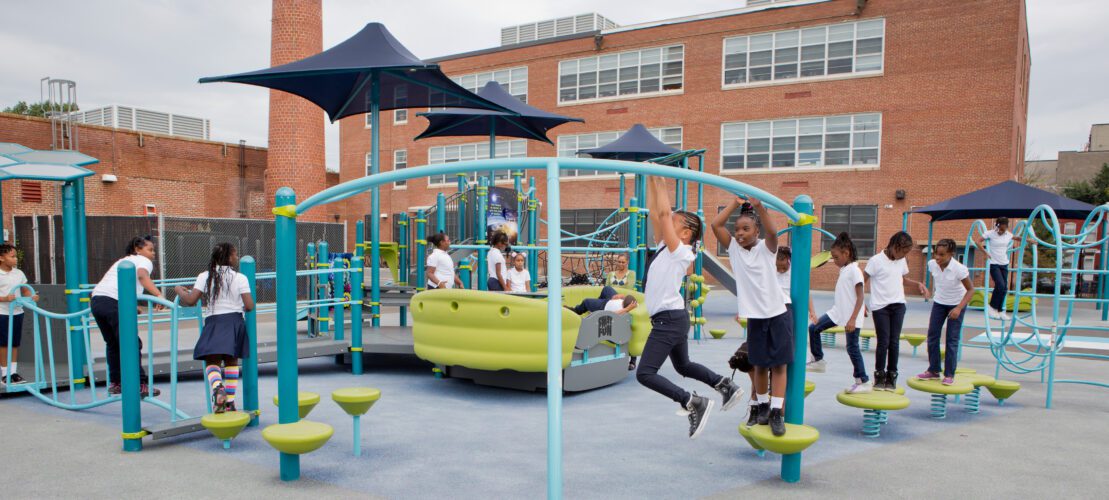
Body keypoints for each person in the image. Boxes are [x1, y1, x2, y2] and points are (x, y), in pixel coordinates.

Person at [638, 176, 743, 439]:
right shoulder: (665, 246)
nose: (667, 220)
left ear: (685, 233)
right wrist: (650, 180)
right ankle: (724, 384)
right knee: (683, 365)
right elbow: (657, 212)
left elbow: (663, 212)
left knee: (645, 373)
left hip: (668, 320)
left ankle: (691, 401)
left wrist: (658, 177)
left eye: (673, 221)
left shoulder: (682, 252)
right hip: (671, 318)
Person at [711, 196, 790, 436]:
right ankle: (763, 405)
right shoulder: (734, 249)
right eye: (737, 229)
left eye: (746, 229)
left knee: (778, 365)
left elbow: (774, 230)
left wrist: (759, 207)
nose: (740, 233)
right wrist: (733, 203)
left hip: (777, 312)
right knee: (759, 365)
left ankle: (777, 411)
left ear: (757, 232)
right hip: (755, 317)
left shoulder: (766, 249)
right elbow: (715, 225)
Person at [174, 243, 255, 413]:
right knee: (232, 361)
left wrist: (178, 290)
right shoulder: (240, 278)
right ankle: (230, 402)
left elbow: (190, 301)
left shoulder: (205, 276)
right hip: (234, 321)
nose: (237, 257)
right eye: (235, 254)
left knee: (212, 360)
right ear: (229, 257)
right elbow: (249, 306)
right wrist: (238, 306)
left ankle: (218, 388)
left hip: (214, 321)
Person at [90, 236, 164, 397]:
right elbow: (142, 276)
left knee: (113, 344)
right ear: (138, 249)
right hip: (113, 302)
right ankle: (139, 384)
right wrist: (159, 294)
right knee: (131, 342)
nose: (153, 253)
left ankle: (116, 383)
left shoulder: (124, 261)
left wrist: (131, 305)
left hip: (97, 301)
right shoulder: (142, 261)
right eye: (150, 249)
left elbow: (118, 285)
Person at [864, 231, 929, 391]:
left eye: (907, 252)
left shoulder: (901, 261)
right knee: (883, 342)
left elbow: (902, 279)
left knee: (894, 342)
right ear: (893, 246)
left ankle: (892, 376)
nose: (904, 256)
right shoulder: (875, 261)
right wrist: (860, 303)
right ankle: (879, 376)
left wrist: (918, 284)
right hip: (881, 307)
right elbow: (861, 280)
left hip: (898, 305)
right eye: (903, 252)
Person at [809, 233, 870, 394]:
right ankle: (818, 360)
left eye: (836, 257)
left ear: (846, 253)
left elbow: (860, 295)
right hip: (838, 312)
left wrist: (853, 318)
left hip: (850, 316)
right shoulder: (845, 269)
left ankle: (863, 380)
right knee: (813, 328)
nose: (834, 261)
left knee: (852, 348)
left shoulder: (855, 271)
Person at [918, 239, 975, 385]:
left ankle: (949, 374)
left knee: (951, 339)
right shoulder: (932, 265)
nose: (938, 257)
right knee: (932, 336)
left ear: (951, 254)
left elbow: (971, 290)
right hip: (939, 303)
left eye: (942, 255)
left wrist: (958, 308)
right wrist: (927, 289)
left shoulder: (959, 269)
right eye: (936, 254)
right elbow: (938, 281)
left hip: (956, 304)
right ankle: (934, 370)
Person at [0, 244, 37, 385]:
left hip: (17, 312)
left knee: (15, 342)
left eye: (16, 256)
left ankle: (13, 373)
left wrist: (32, 296)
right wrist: (4, 299)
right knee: (4, 343)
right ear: (1, 258)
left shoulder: (19, 273)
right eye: (12, 256)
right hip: (2, 313)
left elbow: (25, 290)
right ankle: (5, 374)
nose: (16, 259)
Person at [972, 217, 1014, 320]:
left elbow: (1017, 238)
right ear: (997, 225)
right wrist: (985, 252)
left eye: (1004, 229)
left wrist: (1029, 240)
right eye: (1000, 229)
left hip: (1004, 263)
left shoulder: (1008, 235)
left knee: (1004, 288)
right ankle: (992, 307)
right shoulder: (990, 233)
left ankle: (1000, 311)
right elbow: (978, 242)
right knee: (1000, 285)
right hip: (994, 263)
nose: (1001, 231)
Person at [567, 286, 637, 315]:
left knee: (586, 302)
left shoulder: (621, 311)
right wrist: (621, 296)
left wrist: (627, 309)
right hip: (612, 300)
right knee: (607, 288)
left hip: (604, 306)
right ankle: (595, 305)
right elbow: (634, 302)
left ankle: (576, 310)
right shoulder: (633, 304)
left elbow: (614, 314)